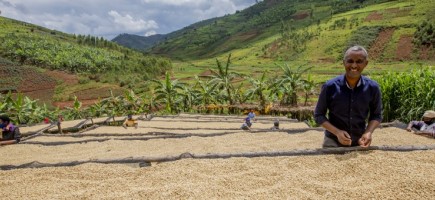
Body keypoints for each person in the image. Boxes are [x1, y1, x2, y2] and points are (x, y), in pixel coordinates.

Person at [314, 45, 382, 148]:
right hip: (333, 140)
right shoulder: (330, 86)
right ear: (344, 62)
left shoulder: (373, 88)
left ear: (366, 63)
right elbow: (319, 115)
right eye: (350, 61)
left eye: (359, 61)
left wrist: (368, 133)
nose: (354, 65)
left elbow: (376, 115)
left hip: (360, 140)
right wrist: (337, 132)